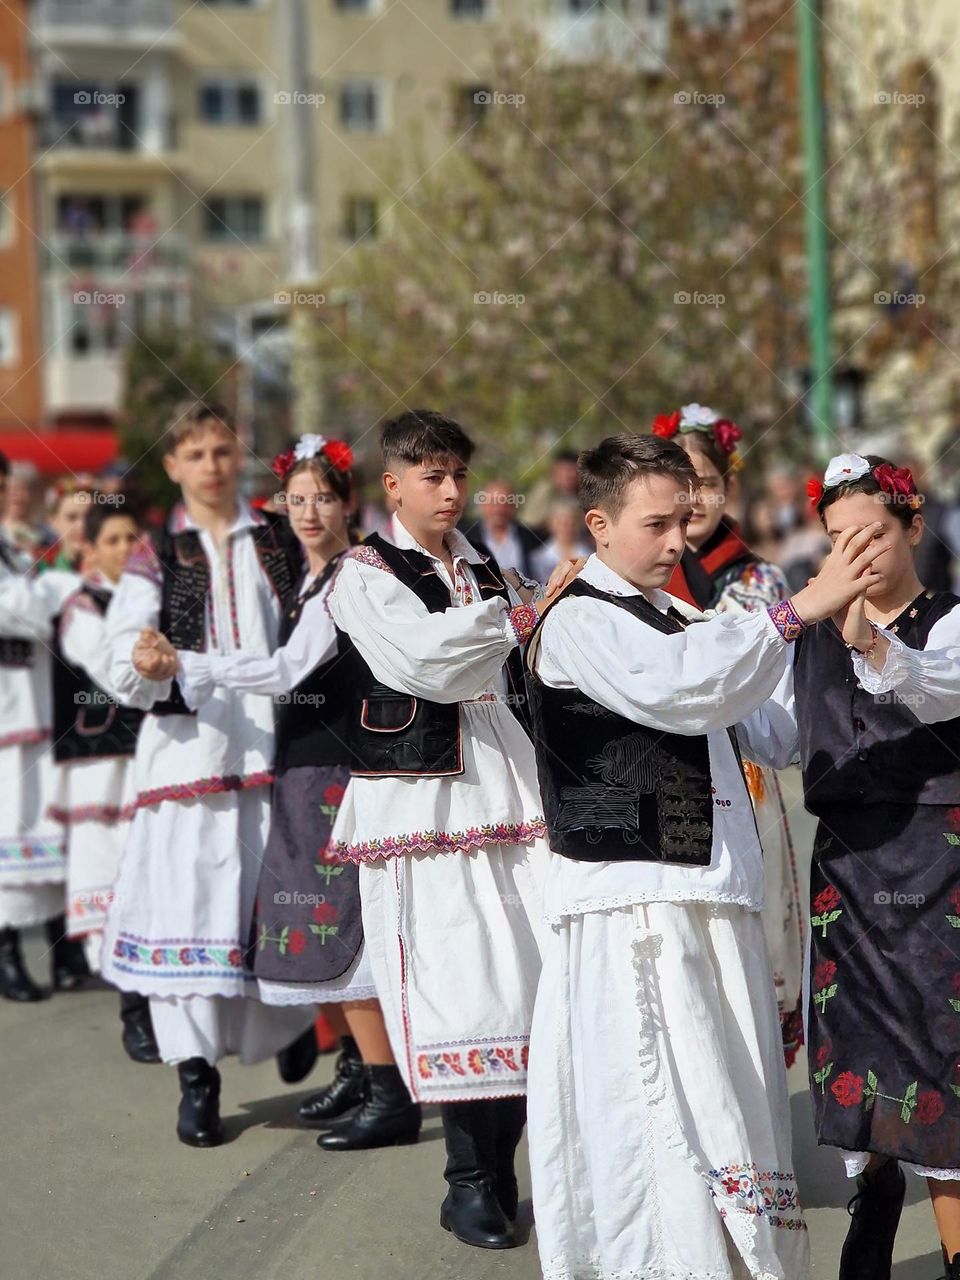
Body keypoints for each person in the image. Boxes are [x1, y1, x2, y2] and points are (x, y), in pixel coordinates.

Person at [523, 432, 888, 1280]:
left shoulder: (684, 616)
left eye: (684, 521)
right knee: (658, 1117)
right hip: (635, 905)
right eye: (656, 524)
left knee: (728, 1109)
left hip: (711, 899)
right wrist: (797, 607)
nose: (679, 541)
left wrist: (843, 628)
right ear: (599, 525)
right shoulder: (578, 617)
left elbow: (773, 729)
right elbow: (679, 686)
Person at [325, 409, 557, 1250]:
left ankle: (499, 1173)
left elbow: (520, 661)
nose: (452, 491)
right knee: (462, 986)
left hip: (511, 787)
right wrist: (518, 618)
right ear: (393, 484)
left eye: (459, 473)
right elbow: (417, 660)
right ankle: (469, 1182)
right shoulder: (361, 572)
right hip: (426, 804)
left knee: (534, 981)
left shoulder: (482, 565)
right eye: (433, 475)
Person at [157, 432, 421, 1150]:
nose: (307, 512)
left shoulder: (347, 575)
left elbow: (285, 671)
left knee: (338, 926)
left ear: (348, 503)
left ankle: (389, 1091)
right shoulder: (314, 578)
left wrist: (192, 664)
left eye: (322, 498)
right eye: (296, 499)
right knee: (322, 923)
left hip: (333, 767)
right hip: (306, 766)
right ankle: (365, 1074)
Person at [99, 400, 318, 1147]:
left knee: (273, 901)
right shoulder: (155, 553)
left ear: (239, 455)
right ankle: (196, 1075)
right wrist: (140, 659)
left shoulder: (277, 541)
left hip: (270, 752)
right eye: (196, 455)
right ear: (173, 465)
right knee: (187, 911)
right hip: (189, 756)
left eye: (223, 451)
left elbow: (311, 626)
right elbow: (122, 641)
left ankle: (291, 1019)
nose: (212, 466)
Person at [785, 453, 960, 1280]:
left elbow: (933, 690)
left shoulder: (951, 622)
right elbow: (773, 734)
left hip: (938, 870)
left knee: (938, 1060)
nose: (855, 554)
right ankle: (874, 1201)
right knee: (852, 1048)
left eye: (873, 535)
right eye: (838, 539)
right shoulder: (809, 633)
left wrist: (869, 639)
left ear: (913, 529)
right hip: (847, 871)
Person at [655, 403, 805, 1063]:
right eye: (676, 481)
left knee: (746, 946)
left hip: (742, 781)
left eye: (705, 481)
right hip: (657, 784)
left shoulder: (758, 580)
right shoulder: (635, 580)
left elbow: (776, 723)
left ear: (728, 487)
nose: (692, 499)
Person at [48, 495, 159, 1061]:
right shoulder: (82, 608)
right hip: (100, 768)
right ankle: (133, 1011)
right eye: (112, 540)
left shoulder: (152, 600)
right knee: (110, 884)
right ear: (91, 549)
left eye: (131, 539)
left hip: (150, 758)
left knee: (151, 878)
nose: (125, 550)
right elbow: (114, 676)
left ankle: (163, 1005)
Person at [0, 451, 86, 1000]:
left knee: (47, 825)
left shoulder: (11, 549)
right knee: (13, 826)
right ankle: (7, 951)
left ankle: (62, 948)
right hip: (8, 713)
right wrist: (62, 589)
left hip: (34, 703)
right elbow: (18, 609)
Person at [462, 479, 542, 580]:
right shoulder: (464, 537)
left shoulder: (532, 537)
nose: (499, 509)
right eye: (493, 503)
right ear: (482, 505)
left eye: (505, 503)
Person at [529, 498, 593, 584]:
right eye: (562, 523)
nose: (568, 528)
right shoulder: (538, 557)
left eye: (572, 523)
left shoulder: (591, 554)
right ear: (551, 523)